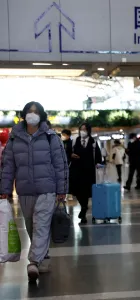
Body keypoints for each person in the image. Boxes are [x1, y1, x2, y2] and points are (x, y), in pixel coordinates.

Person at [0, 101, 68, 282]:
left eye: (36, 112)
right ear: (24, 115)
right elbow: (8, 166)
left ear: (41, 115)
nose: (32, 114)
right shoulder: (15, 138)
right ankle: (43, 257)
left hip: (47, 189)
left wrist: (62, 190)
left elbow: (60, 165)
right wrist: (5, 190)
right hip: (25, 190)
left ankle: (33, 262)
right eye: (29, 111)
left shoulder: (50, 137)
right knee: (31, 225)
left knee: (42, 225)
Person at [69, 122, 102, 224]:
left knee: (86, 192)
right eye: (81, 129)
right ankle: (84, 207)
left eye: (85, 129)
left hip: (88, 171)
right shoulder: (75, 140)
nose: (83, 131)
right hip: (76, 170)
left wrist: (98, 163)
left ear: (88, 130)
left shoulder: (93, 142)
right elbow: (67, 152)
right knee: (77, 191)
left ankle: (83, 211)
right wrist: (71, 155)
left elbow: (98, 156)